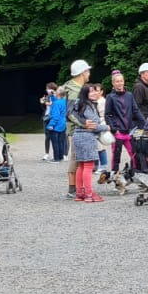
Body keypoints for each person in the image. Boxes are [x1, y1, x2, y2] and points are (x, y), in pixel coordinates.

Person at [68, 84, 108, 202]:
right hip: (86, 137)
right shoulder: (87, 106)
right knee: (89, 166)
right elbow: (94, 126)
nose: (95, 93)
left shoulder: (78, 105)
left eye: (95, 91)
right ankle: (89, 194)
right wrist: (107, 127)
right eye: (91, 92)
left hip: (77, 136)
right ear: (85, 94)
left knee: (81, 165)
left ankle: (80, 193)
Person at [60, 60, 90, 198]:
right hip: (75, 130)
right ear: (82, 73)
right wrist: (84, 124)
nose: (89, 74)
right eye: (87, 71)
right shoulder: (74, 90)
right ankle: (72, 189)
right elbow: (70, 113)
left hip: (80, 128)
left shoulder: (77, 87)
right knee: (75, 158)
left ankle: (79, 187)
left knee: (80, 158)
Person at [105, 71, 143, 182]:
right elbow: (108, 115)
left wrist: (145, 124)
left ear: (124, 82)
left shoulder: (129, 95)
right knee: (116, 156)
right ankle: (114, 177)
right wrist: (114, 129)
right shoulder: (110, 97)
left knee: (134, 154)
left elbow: (136, 111)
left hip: (129, 131)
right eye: (117, 81)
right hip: (118, 132)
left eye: (121, 81)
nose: (119, 83)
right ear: (113, 83)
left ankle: (134, 175)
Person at [132, 63, 148, 173]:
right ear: (142, 74)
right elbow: (136, 107)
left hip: (146, 123)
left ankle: (145, 175)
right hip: (141, 124)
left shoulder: (145, 87)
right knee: (142, 150)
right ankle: (143, 176)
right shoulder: (139, 87)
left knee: (146, 150)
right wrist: (143, 123)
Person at [46, 87, 69, 162]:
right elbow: (55, 100)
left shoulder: (56, 103)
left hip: (56, 125)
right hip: (63, 123)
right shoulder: (64, 101)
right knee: (61, 141)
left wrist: (51, 125)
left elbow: (55, 116)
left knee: (55, 142)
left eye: (57, 90)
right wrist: (52, 95)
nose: (55, 91)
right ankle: (60, 157)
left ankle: (56, 158)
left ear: (58, 93)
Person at [39, 82, 57, 160]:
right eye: (47, 89)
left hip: (53, 118)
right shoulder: (46, 97)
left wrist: (49, 103)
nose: (47, 90)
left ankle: (55, 153)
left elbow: (57, 105)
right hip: (46, 117)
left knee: (54, 136)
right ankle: (46, 153)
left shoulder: (56, 97)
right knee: (47, 136)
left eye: (48, 89)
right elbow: (44, 108)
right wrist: (42, 103)